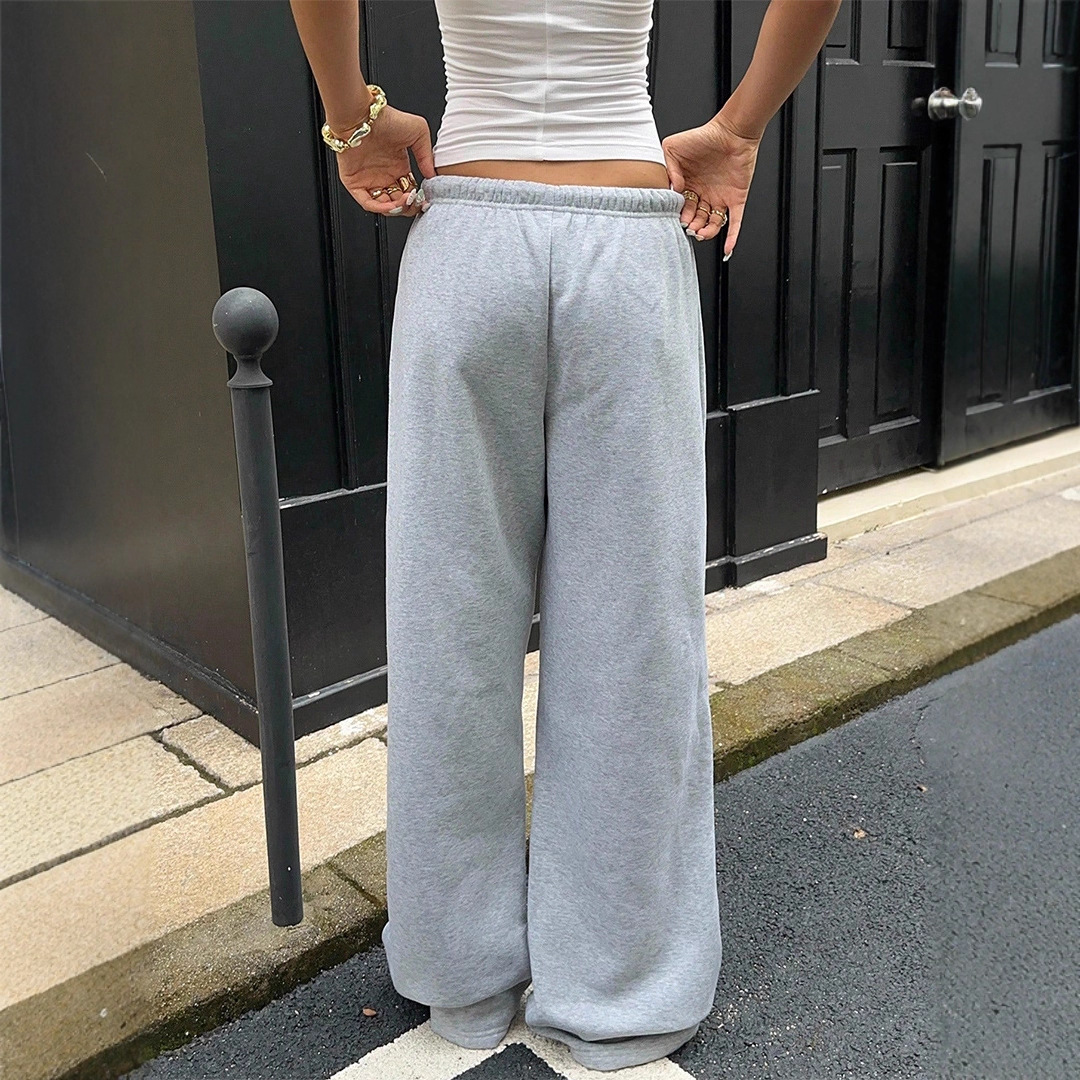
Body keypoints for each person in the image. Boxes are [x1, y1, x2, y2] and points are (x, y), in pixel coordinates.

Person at [289, 0, 842, 1071]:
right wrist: (738, 127)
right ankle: (620, 987)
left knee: (449, 627)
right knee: (635, 636)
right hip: (626, 235)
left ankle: (460, 973)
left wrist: (354, 119)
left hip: (469, 240)